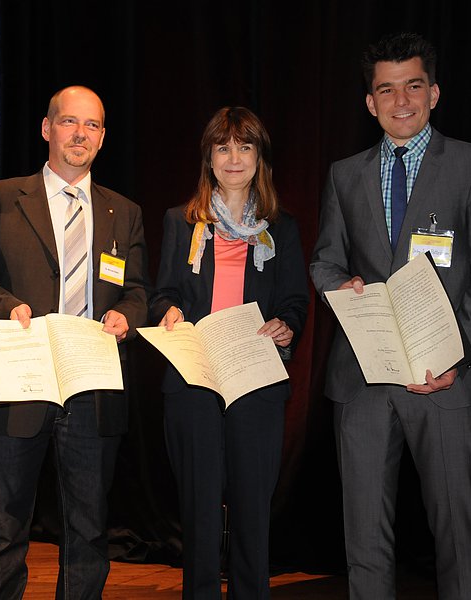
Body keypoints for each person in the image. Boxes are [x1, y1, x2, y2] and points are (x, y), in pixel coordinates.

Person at [310, 33, 471, 600]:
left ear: (435, 92)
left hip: (446, 381)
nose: (402, 101)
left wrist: (456, 352)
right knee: (365, 543)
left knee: (456, 535)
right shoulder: (343, 174)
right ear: (370, 103)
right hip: (363, 381)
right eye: (387, 90)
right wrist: (342, 287)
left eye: (414, 86)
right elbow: (325, 260)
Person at [0, 85, 149, 599]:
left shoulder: (123, 212)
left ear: (103, 137)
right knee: (3, 525)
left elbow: (137, 290)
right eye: (69, 122)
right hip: (18, 377)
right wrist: (6, 306)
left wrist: (125, 316)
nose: (80, 134)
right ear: (47, 129)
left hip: (92, 382)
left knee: (88, 529)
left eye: (91, 126)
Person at [150, 107, 309, 599]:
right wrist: (170, 310)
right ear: (209, 157)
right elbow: (162, 293)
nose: (234, 158)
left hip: (256, 380)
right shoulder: (181, 222)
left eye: (245, 147)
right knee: (198, 510)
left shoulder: (281, 228)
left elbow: (295, 300)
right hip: (194, 381)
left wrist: (288, 325)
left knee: (251, 510)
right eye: (223, 147)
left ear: (259, 157)